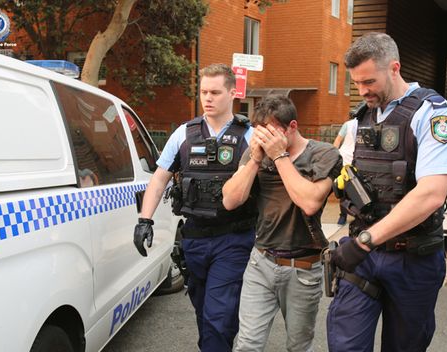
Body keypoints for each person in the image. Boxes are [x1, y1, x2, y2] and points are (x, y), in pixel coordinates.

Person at [327, 32, 447, 352]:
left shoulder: (433, 115)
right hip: (362, 254)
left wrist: (366, 241)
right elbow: (344, 172)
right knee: (345, 344)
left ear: (394, 68)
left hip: (413, 258)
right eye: (356, 84)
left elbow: (431, 194)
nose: (362, 91)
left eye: (369, 82)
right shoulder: (361, 118)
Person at [133, 63, 257, 352]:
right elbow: (159, 178)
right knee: (204, 314)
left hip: (234, 239)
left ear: (232, 92)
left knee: (219, 317)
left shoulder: (249, 136)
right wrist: (144, 220)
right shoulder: (183, 135)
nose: (208, 98)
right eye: (203, 92)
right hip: (194, 239)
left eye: (215, 92)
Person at [222, 94, 342, 352]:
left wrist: (278, 156)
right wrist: (254, 160)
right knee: (247, 345)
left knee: (298, 347)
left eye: (272, 134)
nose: (265, 141)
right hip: (261, 261)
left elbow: (309, 203)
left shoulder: (324, 154)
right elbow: (230, 200)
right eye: (260, 133)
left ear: (292, 127)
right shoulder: (256, 154)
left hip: (302, 267)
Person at [333, 116, 358, 225]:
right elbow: (337, 141)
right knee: (356, 190)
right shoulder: (367, 123)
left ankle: (343, 216)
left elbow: (337, 141)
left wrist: (334, 155)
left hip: (346, 160)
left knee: (343, 190)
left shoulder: (347, 124)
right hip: (354, 161)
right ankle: (347, 215)